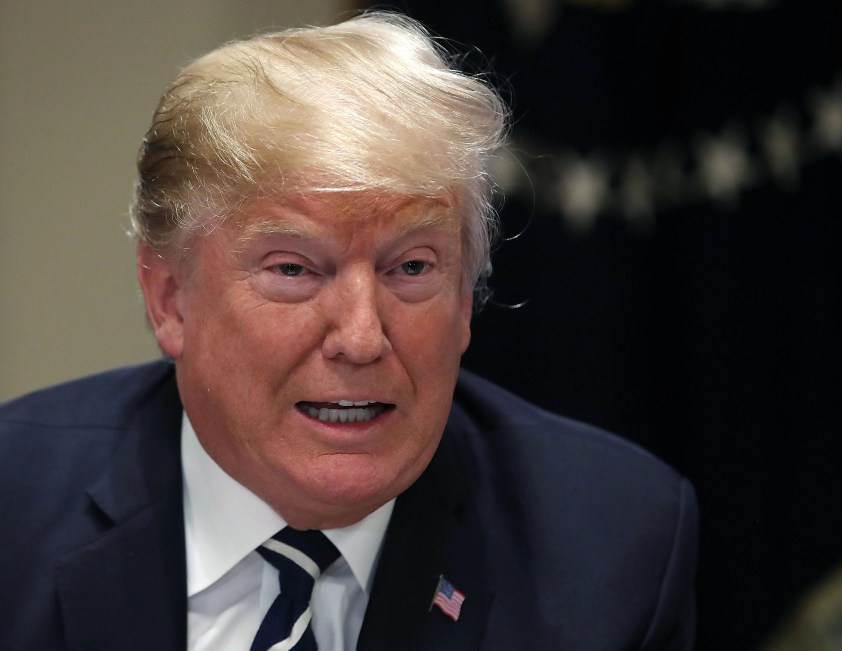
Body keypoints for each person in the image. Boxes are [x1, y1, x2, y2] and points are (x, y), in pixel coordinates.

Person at [0, 11, 697, 651]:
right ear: (169, 298)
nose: (362, 338)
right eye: (296, 269)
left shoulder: (612, 542)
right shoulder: (14, 506)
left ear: (464, 299)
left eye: (413, 266)